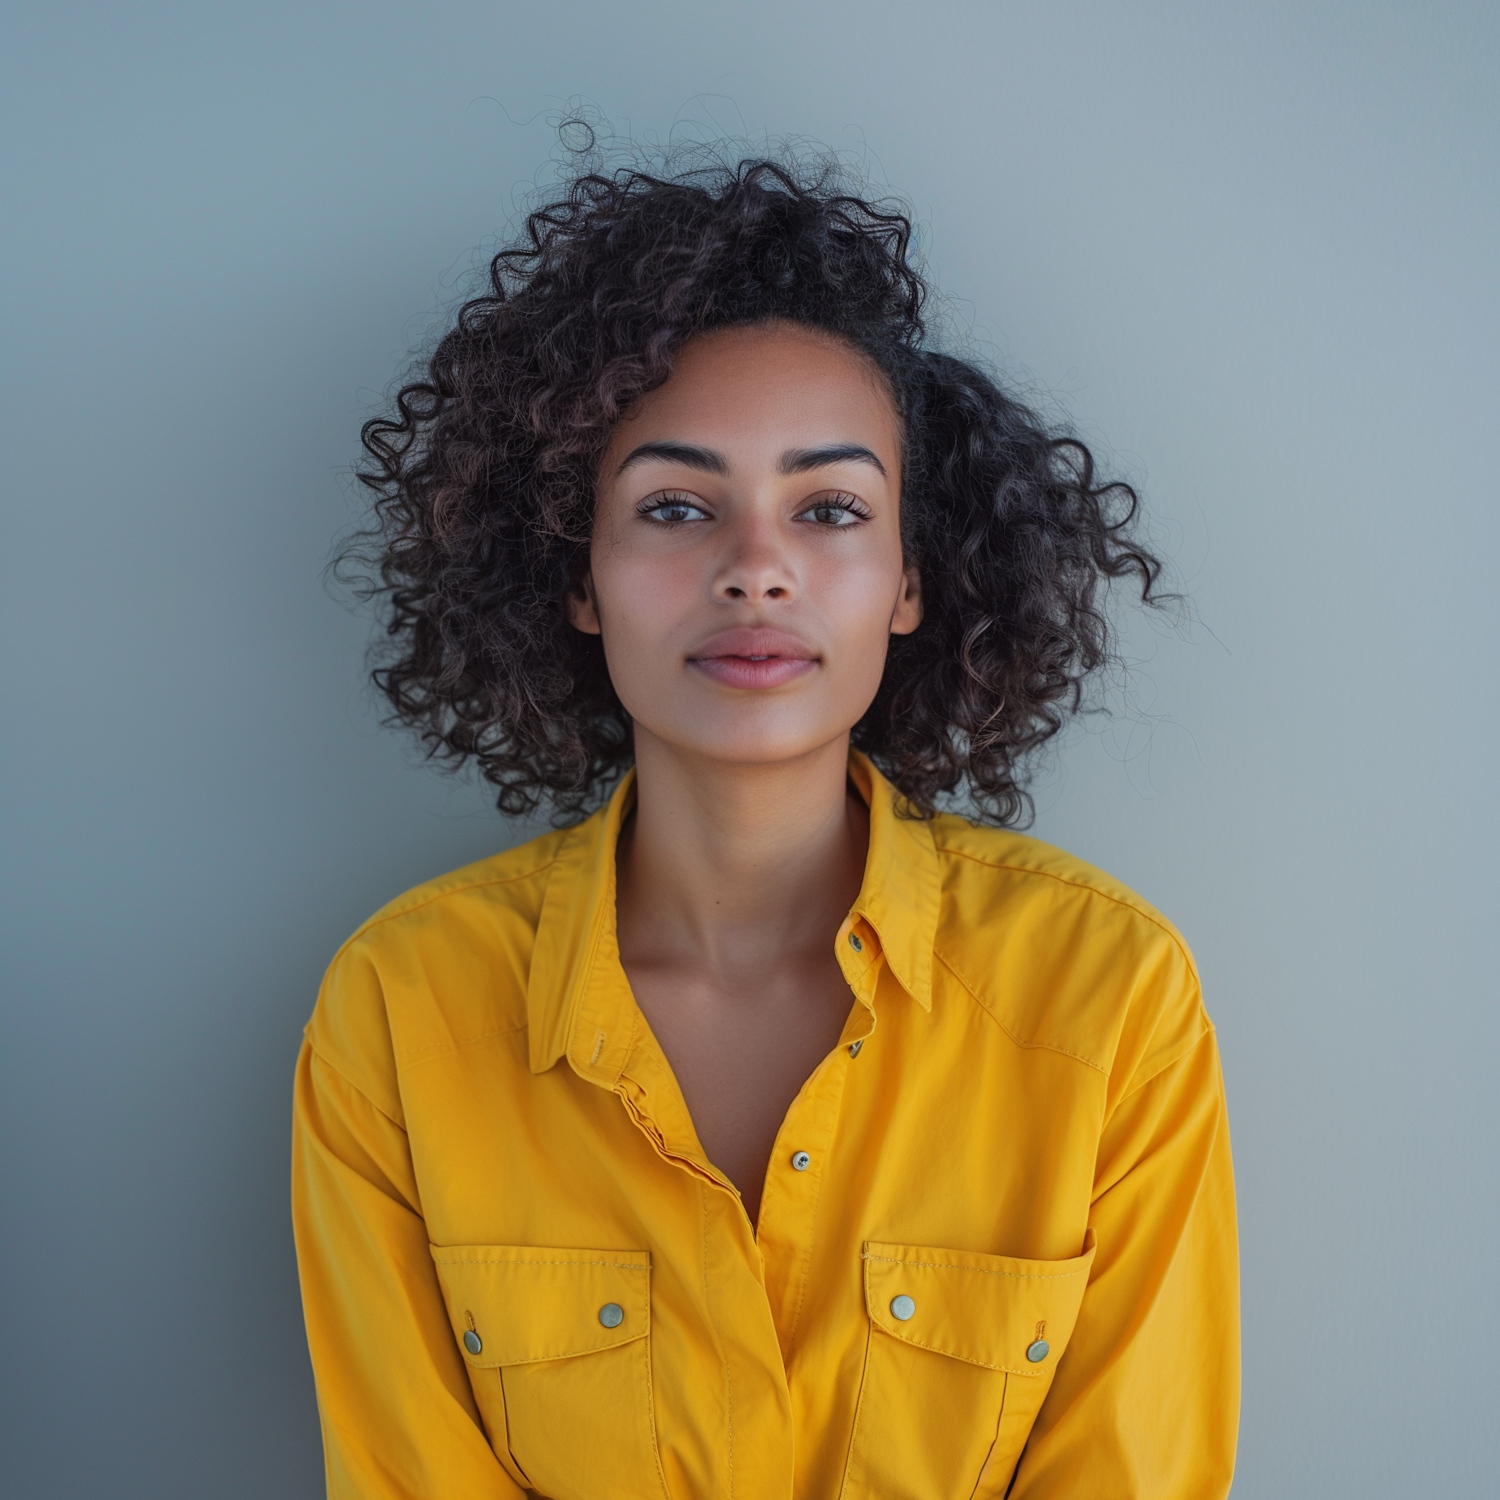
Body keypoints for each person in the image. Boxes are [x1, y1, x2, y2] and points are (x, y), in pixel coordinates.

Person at [292, 150, 1238, 1500]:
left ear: (909, 578)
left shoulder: (1107, 1000)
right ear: (578, 577)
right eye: (676, 507)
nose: (755, 565)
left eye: (831, 508)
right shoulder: (402, 1007)